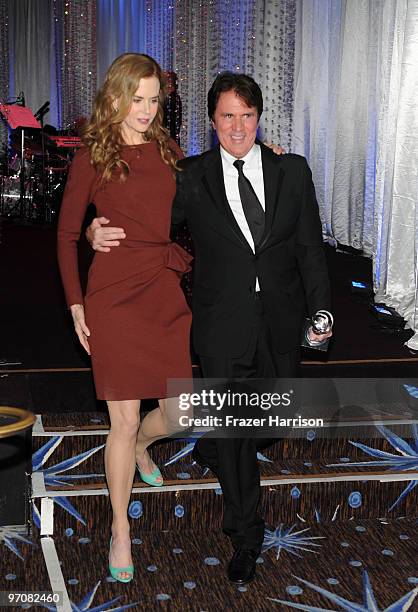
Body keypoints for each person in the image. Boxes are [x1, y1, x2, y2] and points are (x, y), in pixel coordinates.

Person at [88, 72, 332, 584]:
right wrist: (96, 226)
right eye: (227, 116)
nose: (238, 126)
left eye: (246, 115)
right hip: (222, 325)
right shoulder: (191, 176)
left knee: (274, 421)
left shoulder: (292, 170)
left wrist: (321, 312)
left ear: (259, 118)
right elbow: (143, 221)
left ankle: (213, 447)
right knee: (241, 430)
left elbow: (311, 249)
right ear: (213, 122)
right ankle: (246, 536)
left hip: (282, 321)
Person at [57, 53, 193, 583]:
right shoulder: (94, 154)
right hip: (111, 294)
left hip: (161, 287)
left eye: (154, 99)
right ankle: (119, 528)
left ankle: (141, 447)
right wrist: (75, 304)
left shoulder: (168, 149)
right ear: (115, 97)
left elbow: (202, 201)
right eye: (136, 98)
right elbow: (68, 234)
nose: (145, 109)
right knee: (124, 417)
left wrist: (263, 159)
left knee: (181, 413)